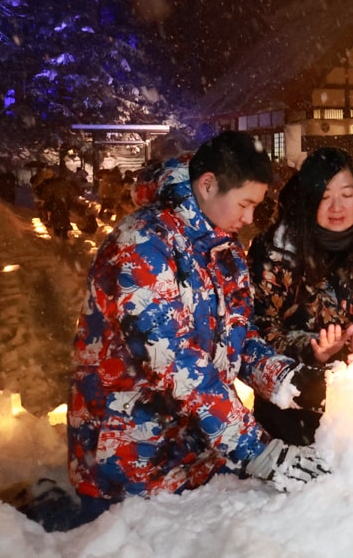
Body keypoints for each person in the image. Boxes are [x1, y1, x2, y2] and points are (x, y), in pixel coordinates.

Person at [66, 131, 329, 530]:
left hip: (195, 451)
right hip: (128, 459)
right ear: (207, 185)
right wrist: (258, 450)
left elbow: (238, 337)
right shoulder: (142, 244)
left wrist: (289, 380)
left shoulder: (222, 248)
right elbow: (173, 363)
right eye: (245, 204)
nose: (249, 219)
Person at [248, 147, 353, 445]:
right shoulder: (274, 251)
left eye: (347, 194)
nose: (337, 207)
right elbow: (259, 328)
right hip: (292, 397)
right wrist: (312, 349)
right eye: (324, 196)